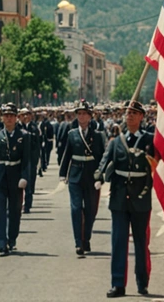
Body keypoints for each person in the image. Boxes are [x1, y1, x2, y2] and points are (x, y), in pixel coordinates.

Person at [95, 100, 155, 297]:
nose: (129, 116)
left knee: (140, 242)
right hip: (120, 197)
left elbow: (159, 162)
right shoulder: (116, 141)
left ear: (141, 117)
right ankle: (118, 283)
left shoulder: (150, 140)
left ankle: (142, 281)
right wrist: (98, 175)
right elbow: (106, 160)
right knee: (118, 241)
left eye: (133, 113)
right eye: (127, 113)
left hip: (140, 196)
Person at [59, 100, 105, 256]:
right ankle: (78, 242)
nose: (81, 116)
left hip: (91, 176)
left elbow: (102, 157)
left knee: (91, 210)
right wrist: (62, 173)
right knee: (76, 208)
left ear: (90, 116)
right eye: (79, 113)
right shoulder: (72, 134)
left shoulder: (98, 136)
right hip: (75, 175)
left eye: (84, 113)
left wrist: (101, 176)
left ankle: (87, 238)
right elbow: (67, 155)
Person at [0, 103, 31, 256]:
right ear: (2, 118)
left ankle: (12, 238)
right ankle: (2, 242)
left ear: (16, 118)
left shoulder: (23, 136)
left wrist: (24, 176)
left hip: (16, 175)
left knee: (15, 210)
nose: (9, 118)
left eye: (11, 115)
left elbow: (26, 160)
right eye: (6, 115)